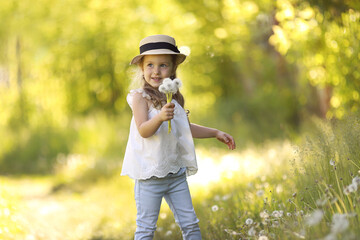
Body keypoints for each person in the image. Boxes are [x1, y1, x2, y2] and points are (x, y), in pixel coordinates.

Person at [121, 34, 236, 240]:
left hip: (175, 174)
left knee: (190, 224)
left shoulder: (173, 97)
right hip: (150, 176)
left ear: (173, 69)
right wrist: (159, 118)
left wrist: (215, 133)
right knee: (146, 229)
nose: (156, 71)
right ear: (142, 68)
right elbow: (143, 131)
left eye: (163, 65)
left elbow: (185, 128)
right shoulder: (140, 97)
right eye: (150, 65)